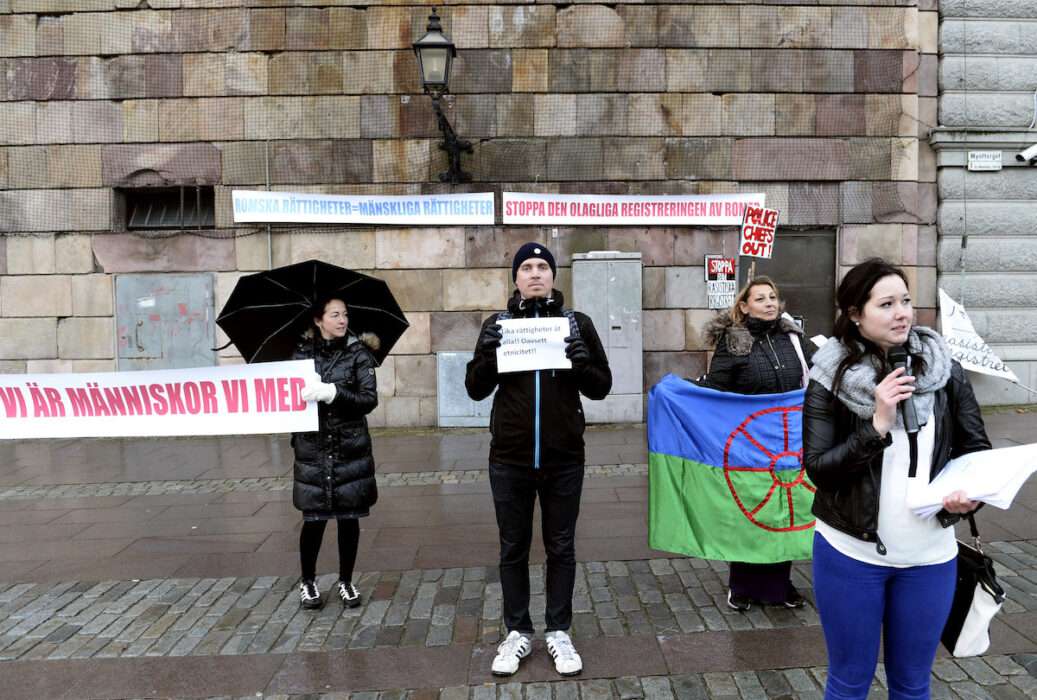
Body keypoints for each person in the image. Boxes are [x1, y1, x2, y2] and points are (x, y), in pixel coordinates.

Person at [803, 259, 990, 699]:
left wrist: (971, 497)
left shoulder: (944, 369)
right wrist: (876, 425)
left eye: (905, 301)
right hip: (851, 554)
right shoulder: (829, 375)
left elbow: (976, 453)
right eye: (886, 304)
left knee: (912, 685)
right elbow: (819, 469)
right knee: (849, 683)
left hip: (930, 558)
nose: (902, 313)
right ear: (855, 313)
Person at [465, 242, 612, 678]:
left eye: (542, 266)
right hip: (509, 458)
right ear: (516, 278)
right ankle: (517, 630)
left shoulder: (576, 323)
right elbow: (474, 389)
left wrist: (582, 365)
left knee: (561, 546)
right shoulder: (499, 324)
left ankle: (559, 630)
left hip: (564, 458)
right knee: (512, 547)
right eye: (526, 267)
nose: (534, 273)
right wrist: (488, 356)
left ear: (552, 276)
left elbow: (601, 386)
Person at [697, 275, 812, 611]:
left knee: (783, 513)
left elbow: (813, 378)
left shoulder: (793, 338)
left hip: (788, 443)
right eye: (760, 298)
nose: (769, 303)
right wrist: (688, 391)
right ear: (745, 307)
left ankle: (779, 586)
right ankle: (742, 586)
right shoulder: (734, 340)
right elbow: (717, 387)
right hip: (749, 445)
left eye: (772, 297)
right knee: (750, 514)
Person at [292, 298, 380, 610]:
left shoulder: (359, 353)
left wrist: (333, 392)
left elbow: (368, 399)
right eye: (334, 315)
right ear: (318, 320)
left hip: (349, 448)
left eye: (345, 314)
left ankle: (346, 580)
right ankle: (307, 581)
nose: (342, 320)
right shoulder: (301, 355)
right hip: (313, 448)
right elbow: (287, 400)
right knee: (313, 519)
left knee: (348, 518)